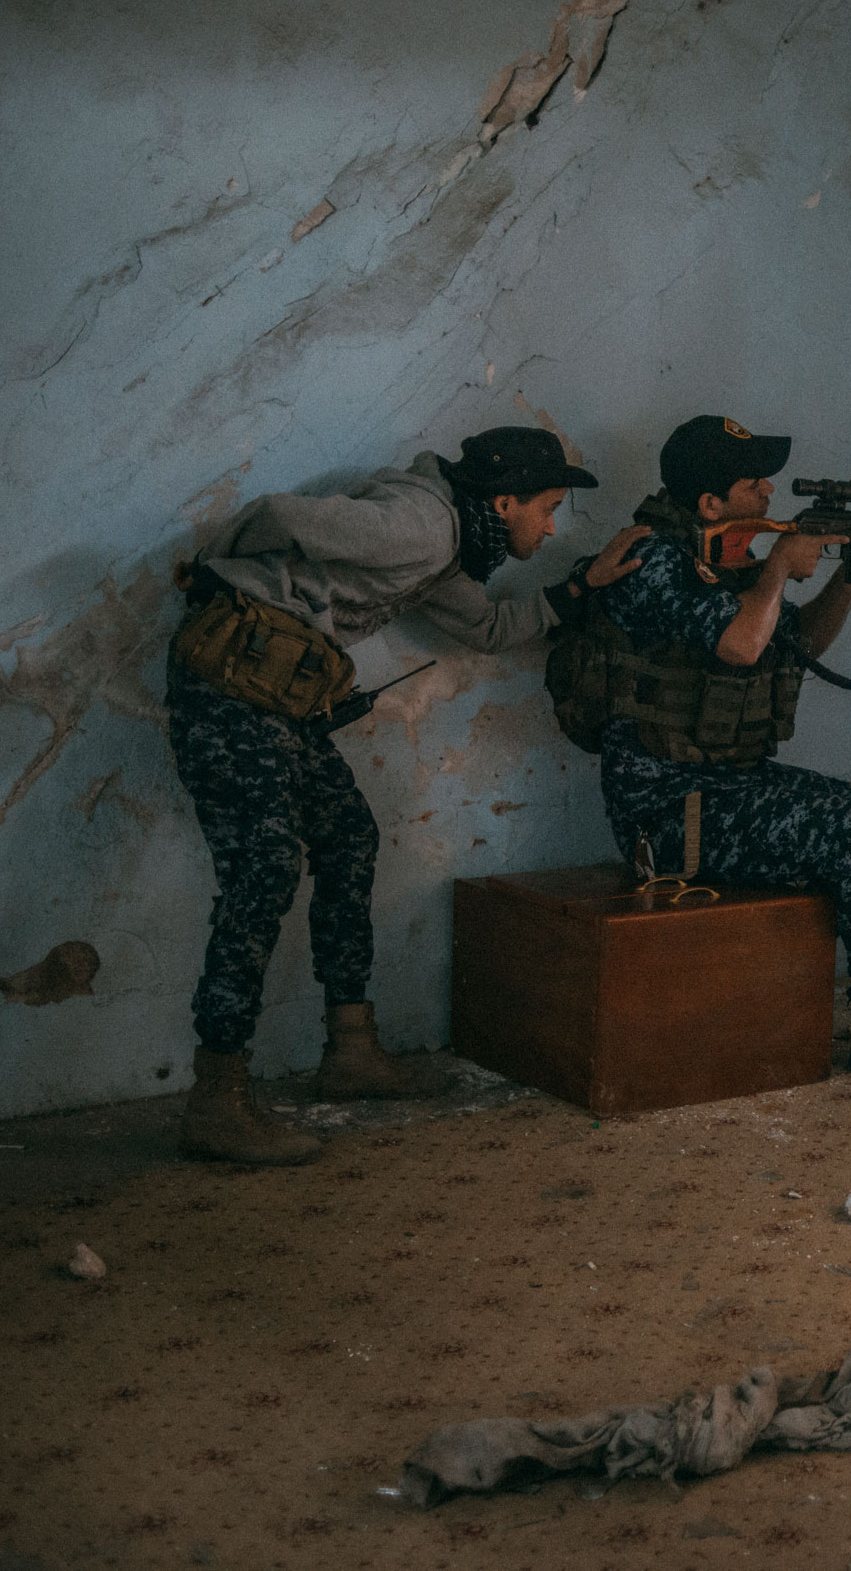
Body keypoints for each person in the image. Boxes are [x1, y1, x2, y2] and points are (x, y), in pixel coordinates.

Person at [167, 426, 644, 1164]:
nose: (551, 525)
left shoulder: (443, 545)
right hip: (230, 679)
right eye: (547, 507)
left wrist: (580, 588)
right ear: (504, 497)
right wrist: (217, 573)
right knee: (263, 867)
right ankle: (216, 1095)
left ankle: (351, 1049)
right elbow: (282, 515)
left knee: (348, 835)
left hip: (272, 690)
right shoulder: (424, 526)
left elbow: (485, 626)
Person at [585, 414, 851, 1091]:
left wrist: (846, 578)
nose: (769, 489)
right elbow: (740, 644)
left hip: (730, 784)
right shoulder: (654, 561)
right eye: (752, 481)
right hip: (668, 812)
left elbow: (801, 645)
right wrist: (777, 574)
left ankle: (785, 988)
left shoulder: (728, 557)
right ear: (710, 504)